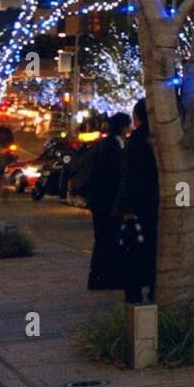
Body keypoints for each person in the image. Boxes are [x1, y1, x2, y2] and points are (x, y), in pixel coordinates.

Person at [114, 100, 159, 304]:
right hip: (157, 203)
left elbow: (129, 177)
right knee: (153, 248)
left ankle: (134, 291)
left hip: (139, 205)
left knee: (134, 250)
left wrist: (126, 207)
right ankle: (153, 288)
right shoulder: (164, 139)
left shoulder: (136, 141)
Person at [79, 112, 129, 291]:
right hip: (106, 201)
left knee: (104, 239)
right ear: (123, 127)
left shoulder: (106, 144)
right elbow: (112, 176)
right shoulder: (113, 146)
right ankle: (102, 277)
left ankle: (100, 276)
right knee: (107, 239)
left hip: (101, 200)